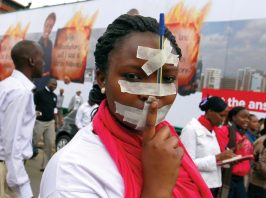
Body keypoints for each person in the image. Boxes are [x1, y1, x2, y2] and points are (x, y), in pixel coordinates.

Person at [39, 14, 212, 197]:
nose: (152, 94)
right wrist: (158, 188)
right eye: (133, 76)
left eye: (167, 79)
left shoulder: (171, 150)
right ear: (102, 79)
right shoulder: (72, 173)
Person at [0, 40, 44, 198]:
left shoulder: (6, 85)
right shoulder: (20, 92)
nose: (44, 63)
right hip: (7, 171)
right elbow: (11, 144)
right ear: (31, 61)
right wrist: (25, 190)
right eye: (42, 58)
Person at [180, 96, 235, 197]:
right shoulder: (191, 129)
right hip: (196, 185)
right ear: (209, 111)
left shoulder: (214, 131)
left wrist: (229, 157)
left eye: (225, 117)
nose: (223, 120)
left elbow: (216, 157)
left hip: (212, 184)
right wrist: (217, 158)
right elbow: (187, 163)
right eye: (221, 115)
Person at [216, 106, 253, 198]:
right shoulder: (225, 130)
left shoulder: (245, 135)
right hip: (229, 178)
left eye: (248, 118)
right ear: (233, 117)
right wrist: (234, 149)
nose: (247, 120)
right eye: (243, 117)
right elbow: (221, 153)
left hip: (240, 179)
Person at [33, 78, 57, 172]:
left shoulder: (54, 96)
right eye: (53, 84)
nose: (54, 87)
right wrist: (37, 115)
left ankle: (45, 166)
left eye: (55, 85)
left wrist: (56, 121)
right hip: (39, 122)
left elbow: (55, 109)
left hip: (50, 122)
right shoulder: (39, 93)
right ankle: (22, 161)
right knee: (33, 142)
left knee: (50, 144)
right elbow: (33, 107)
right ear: (48, 83)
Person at [34, 12, 56, 90]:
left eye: (51, 26)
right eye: (47, 25)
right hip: (38, 80)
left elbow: (52, 63)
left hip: (48, 81)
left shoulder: (50, 44)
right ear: (43, 25)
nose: (48, 28)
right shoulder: (37, 44)